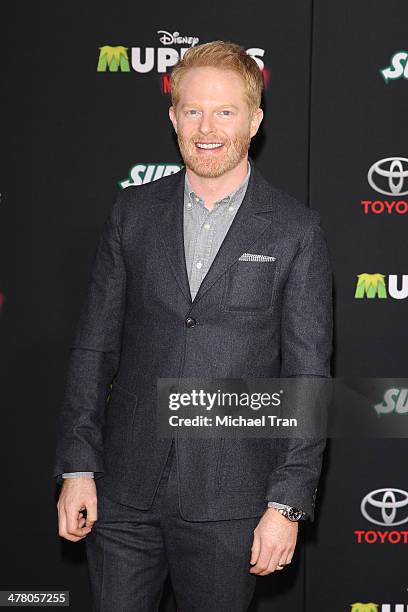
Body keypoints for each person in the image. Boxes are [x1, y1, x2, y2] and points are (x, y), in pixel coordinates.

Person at [54, 40, 333, 611]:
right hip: (123, 495)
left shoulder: (296, 232)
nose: (208, 128)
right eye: (193, 110)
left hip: (232, 502)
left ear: (254, 120)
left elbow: (308, 380)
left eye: (225, 111)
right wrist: (79, 465)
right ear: (173, 117)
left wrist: (286, 504)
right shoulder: (131, 214)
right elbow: (94, 349)